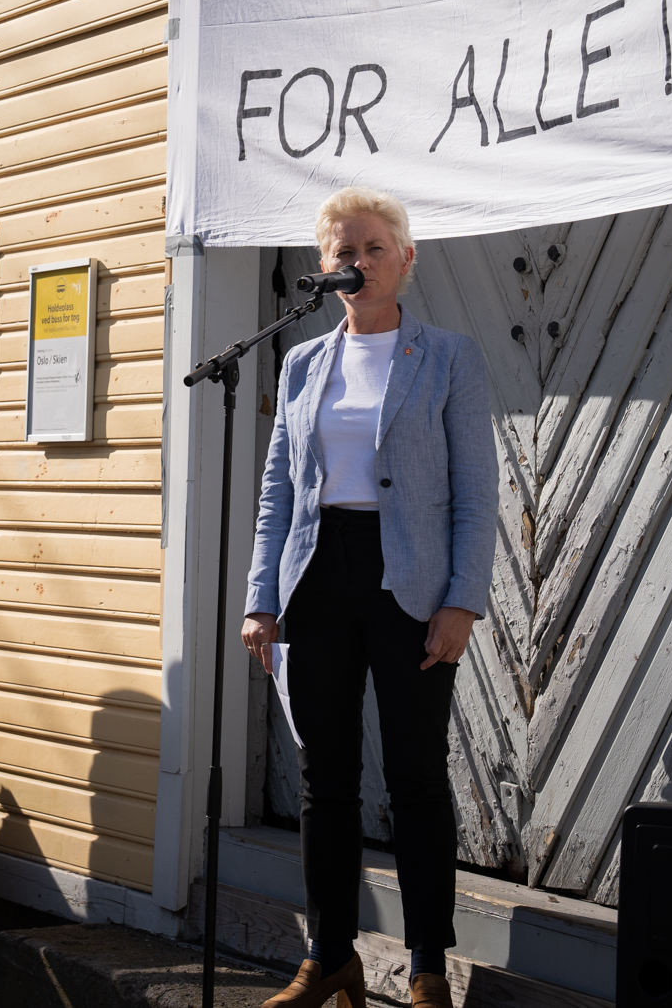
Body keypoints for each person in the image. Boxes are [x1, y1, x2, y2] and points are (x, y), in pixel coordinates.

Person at [243, 188, 497, 1008]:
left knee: (418, 773)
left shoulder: (450, 356)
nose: (355, 261)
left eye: (373, 247)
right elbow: (278, 486)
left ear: (406, 258)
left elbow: (476, 491)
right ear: (323, 268)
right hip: (319, 574)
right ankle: (330, 953)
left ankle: (427, 965)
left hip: (412, 582)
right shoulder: (302, 363)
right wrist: (261, 596)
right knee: (327, 778)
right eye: (340, 251)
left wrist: (462, 598)